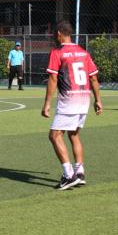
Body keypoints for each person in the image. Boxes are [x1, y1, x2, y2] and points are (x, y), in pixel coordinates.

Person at [41, 21, 103, 190]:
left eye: (54, 35)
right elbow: (93, 78)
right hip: (84, 100)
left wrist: (47, 104)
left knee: (54, 136)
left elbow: (53, 79)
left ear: (59, 34)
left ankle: (69, 175)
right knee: (74, 135)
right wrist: (98, 100)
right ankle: (80, 172)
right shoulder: (84, 52)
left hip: (69, 101)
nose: (53, 37)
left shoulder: (57, 52)